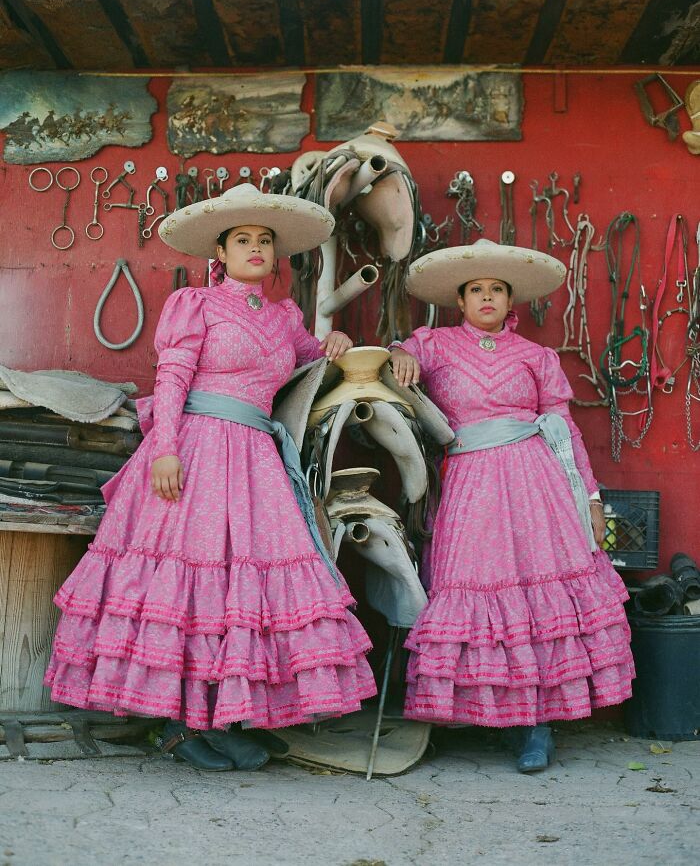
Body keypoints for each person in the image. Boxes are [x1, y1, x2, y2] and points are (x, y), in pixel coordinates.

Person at [45, 183, 377, 771]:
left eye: (265, 241)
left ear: (277, 257)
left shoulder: (283, 316)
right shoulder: (193, 306)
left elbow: (311, 358)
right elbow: (172, 379)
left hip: (255, 458)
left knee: (243, 591)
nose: (255, 248)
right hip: (195, 450)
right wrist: (165, 448)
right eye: (242, 239)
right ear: (219, 253)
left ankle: (230, 715)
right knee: (191, 586)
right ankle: (178, 725)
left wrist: (337, 341)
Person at [390, 240, 634, 773]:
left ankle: (535, 726)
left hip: (536, 483)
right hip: (470, 482)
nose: (486, 298)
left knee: (534, 596)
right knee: (474, 586)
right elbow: (393, 364)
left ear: (509, 300)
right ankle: (481, 713)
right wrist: (400, 351)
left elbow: (564, 432)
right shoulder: (435, 344)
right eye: (476, 290)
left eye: (496, 290)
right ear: (460, 299)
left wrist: (589, 499)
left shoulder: (537, 357)